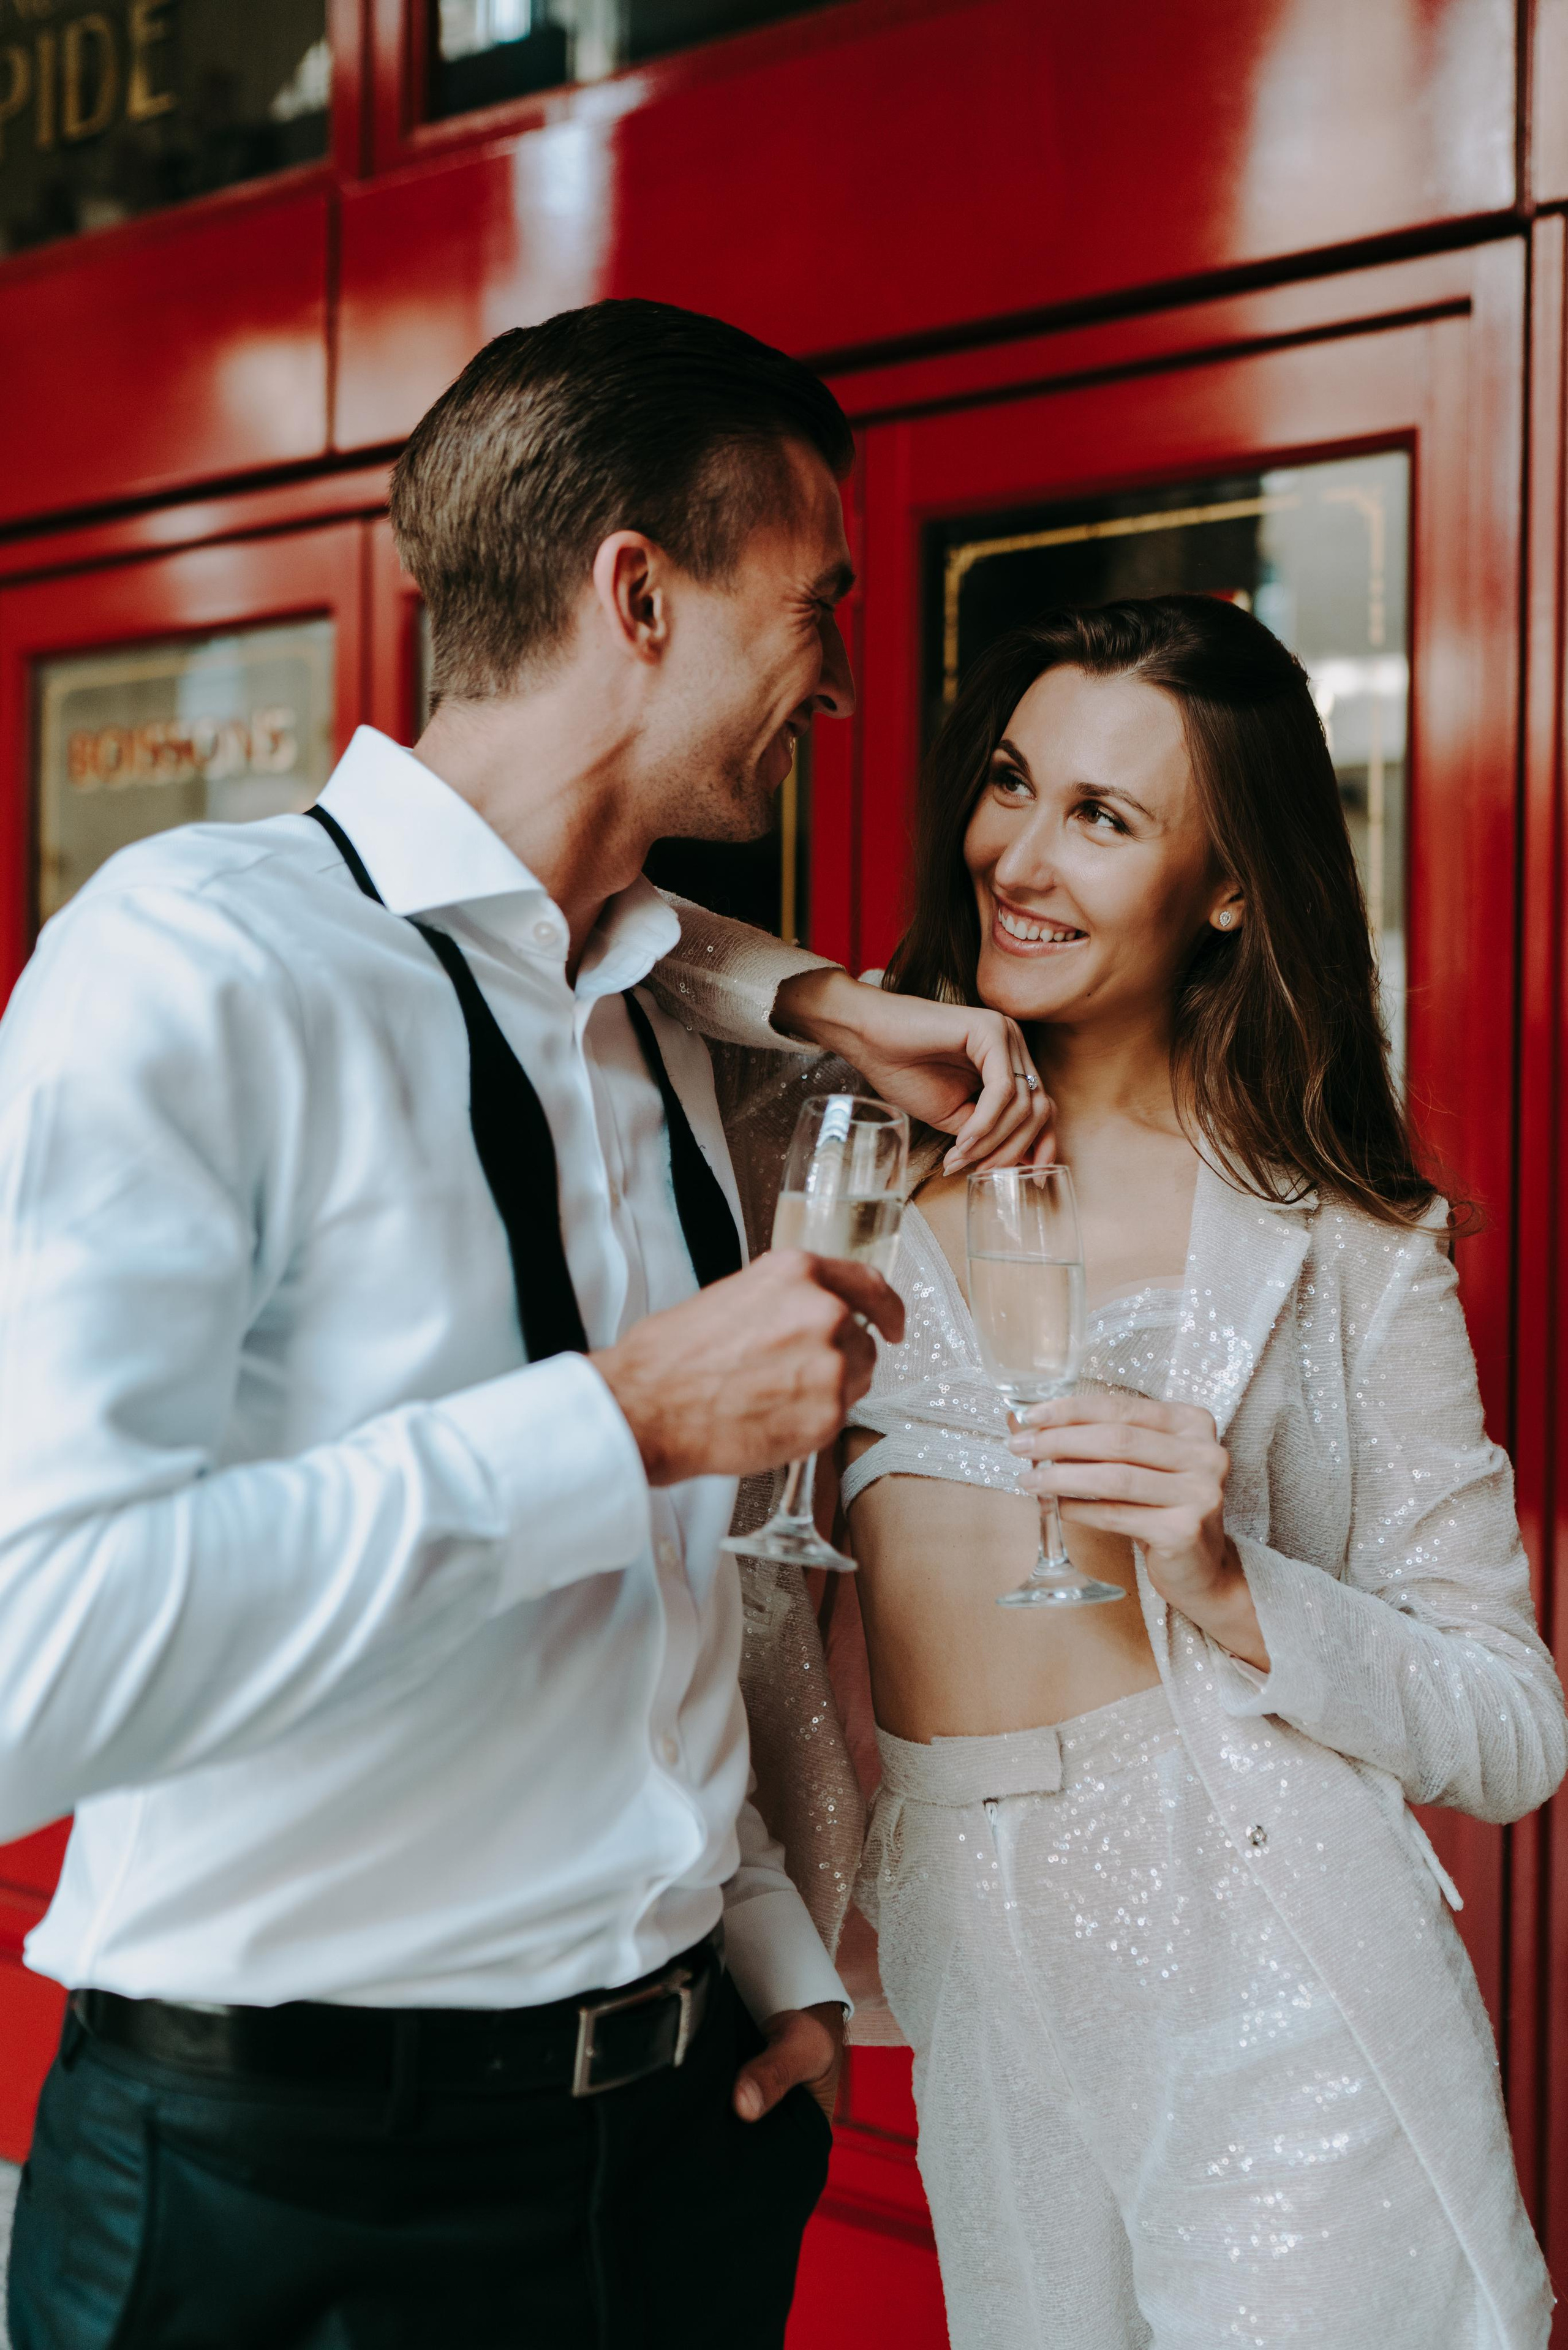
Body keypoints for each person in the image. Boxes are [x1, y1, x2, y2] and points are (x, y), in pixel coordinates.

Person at [0, 298, 1052, 2350]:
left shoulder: (654, 1001)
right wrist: (623, 1424)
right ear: (636, 591)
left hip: (671, 2158)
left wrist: (764, 1944)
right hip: (290, 2202)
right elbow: (33, 1666)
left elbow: (658, 1627)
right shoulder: (192, 970)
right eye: (815, 598)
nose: (839, 676)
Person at [731, 595, 1567, 2349]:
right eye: (1013, 784)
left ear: (1235, 884)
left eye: (1104, 818)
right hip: (976, 1978)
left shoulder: (1344, 1245)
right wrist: (816, 997)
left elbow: (1512, 1726)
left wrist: (1236, 1584)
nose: (1019, 856)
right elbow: (573, 935)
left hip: (1278, 1973)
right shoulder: (819, 1144)